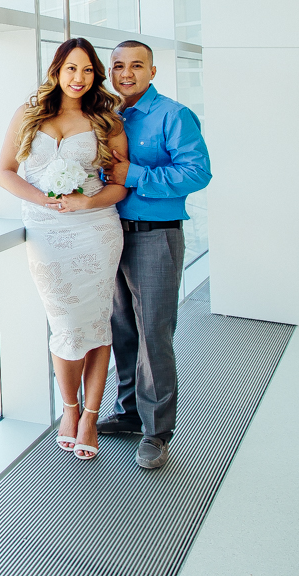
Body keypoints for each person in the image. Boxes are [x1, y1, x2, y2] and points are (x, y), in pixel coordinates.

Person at [0, 39, 129, 461]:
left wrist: (86, 201)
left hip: (95, 228)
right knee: (66, 324)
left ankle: (89, 416)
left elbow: (120, 183)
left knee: (96, 322)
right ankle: (69, 408)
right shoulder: (29, 113)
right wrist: (41, 200)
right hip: (46, 233)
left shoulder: (105, 120)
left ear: (96, 75)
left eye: (88, 70)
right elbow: (4, 171)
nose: (79, 78)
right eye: (72, 69)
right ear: (56, 70)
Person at [97, 41, 212, 470]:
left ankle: (157, 432)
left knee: (154, 336)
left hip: (154, 236)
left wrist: (136, 174)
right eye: (118, 66)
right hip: (110, 235)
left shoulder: (173, 115)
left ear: (153, 71)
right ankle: (129, 413)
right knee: (122, 331)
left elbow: (197, 172)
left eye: (136, 66)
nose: (126, 73)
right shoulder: (107, 117)